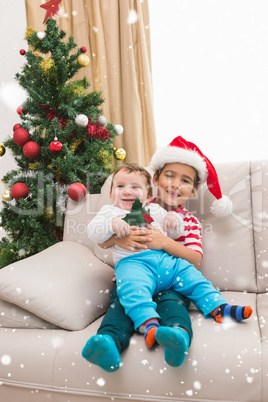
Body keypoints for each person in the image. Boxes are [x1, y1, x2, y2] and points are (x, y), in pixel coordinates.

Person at [82, 137, 252, 371]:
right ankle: (108, 342)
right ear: (155, 180)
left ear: (193, 190)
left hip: (169, 280)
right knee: (121, 306)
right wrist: (119, 236)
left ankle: (177, 336)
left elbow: (194, 259)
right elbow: (100, 241)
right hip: (132, 274)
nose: (174, 184)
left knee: (173, 303)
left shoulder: (186, 220)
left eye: (185, 181)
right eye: (169, 176)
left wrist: (164, 240)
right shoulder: (135, 203)